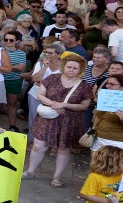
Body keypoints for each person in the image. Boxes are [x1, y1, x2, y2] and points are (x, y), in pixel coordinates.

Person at [23, 53, 93, 188]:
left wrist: (65, 105)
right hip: (48, 118)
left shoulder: (84, 86)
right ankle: (31, 170)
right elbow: (40, 95)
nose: (71, 70)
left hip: (69, 121)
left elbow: (84, 106)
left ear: (80, 70)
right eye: (69, 67)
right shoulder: (52, 78)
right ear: (63, 67)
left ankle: (57, 177)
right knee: (38, 145)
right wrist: (54, 104)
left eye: (74, 68)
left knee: (63, 149)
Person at [89, 74, 123, 162]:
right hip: (100, 141)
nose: (108, 86)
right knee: (95, 170)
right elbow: (95, 119)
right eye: (108, 84)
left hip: (121, 144)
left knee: (116, 173)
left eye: (112, 84)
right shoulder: (105, 100)